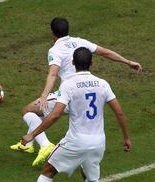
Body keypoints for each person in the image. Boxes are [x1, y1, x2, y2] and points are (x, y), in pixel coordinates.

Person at [10, 47, 131, 182]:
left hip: (76, 141)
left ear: (73, 63)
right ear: (92, 63)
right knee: (91, 176)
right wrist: (126, 138)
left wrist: (32, 134)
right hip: (98, 142)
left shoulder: (69, 84)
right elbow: (120, 113)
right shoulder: (103, 84)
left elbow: (56, 114)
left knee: (48, 170)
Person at [10, 17, 141, 166]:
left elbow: (53, 74)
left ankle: (45, 145)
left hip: (68, 96)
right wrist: (128, 62)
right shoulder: (81, 42)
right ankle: (27, 144)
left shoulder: (55, 50)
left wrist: (44, 95)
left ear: (52, 33)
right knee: (39, 112)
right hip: (86, 96)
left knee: (28, 111)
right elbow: (105, 52)